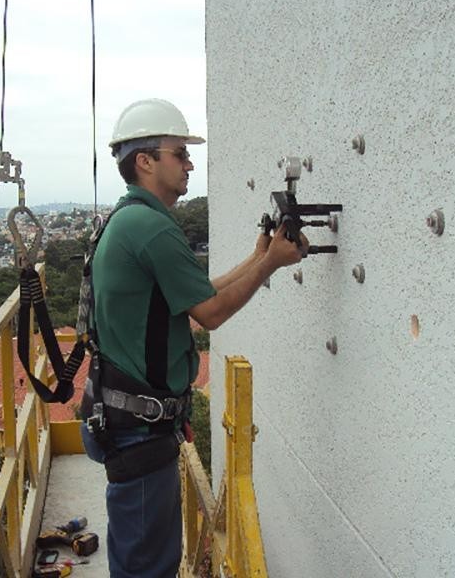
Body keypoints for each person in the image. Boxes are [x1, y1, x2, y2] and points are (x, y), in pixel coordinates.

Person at [80, 98, 308, 578]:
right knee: (148, 569)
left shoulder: (129, 219)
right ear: (145, 161)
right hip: (138, 431)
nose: (188, 164)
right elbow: (212, 313)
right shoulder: (151, 228)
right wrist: (271, 263)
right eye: (179, 153)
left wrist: (258, 257)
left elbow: (197, 295)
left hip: (125, 420)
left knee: (142, 559)